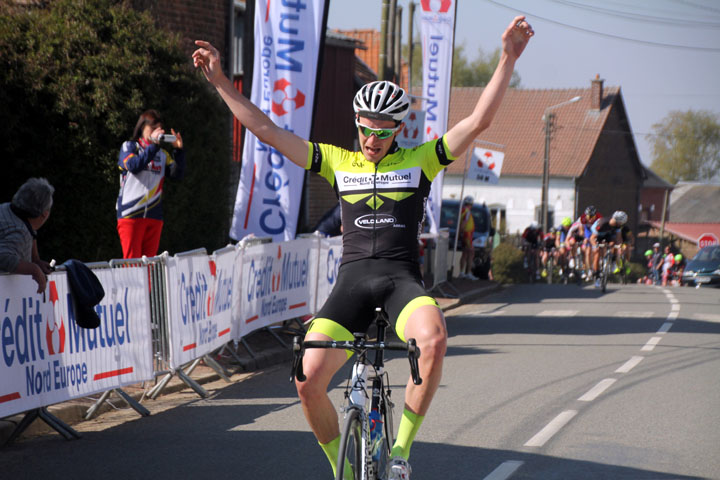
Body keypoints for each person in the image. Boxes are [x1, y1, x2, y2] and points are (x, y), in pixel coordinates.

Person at [193, 15, 533, 480]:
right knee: (306, 379)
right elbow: (269, 131)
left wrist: (507, 58)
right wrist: (219, 83)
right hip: (351, 284)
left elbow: (479, 120)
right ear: (355, 124)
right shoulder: (338, 162)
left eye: (382, 130)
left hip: (400, 282)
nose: (372, 140)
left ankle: (398, 454)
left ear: (398, 129)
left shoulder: (420, 161)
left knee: (433, 341)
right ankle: (344, 469)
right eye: (365, 129)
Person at [116, 109, 185, 259]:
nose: (156, 133)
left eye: (158, 129)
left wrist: (179, 150)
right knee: (133, 265)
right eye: (152, 129)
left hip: (154, 216)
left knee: (149, 267)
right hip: (131, 215)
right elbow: (134, 165)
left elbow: (177, 174)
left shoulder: (161, 154)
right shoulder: (129, 147)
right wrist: (153, 146)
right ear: (142, 128)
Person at [0, 178, 55, 293]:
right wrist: (34, 269)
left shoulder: (6, 209)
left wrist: (35, 260)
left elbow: (31, 230)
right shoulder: (20, 233)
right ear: (44, 214)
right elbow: (3, 257)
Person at [589, 210, 626, 288]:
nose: (621, 225)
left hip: (608, 234)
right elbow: (592, 238)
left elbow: (619, 238)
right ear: (617, 221)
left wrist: (620, 246)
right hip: (597, 234)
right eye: (620, 223)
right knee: (597, 253)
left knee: (613, 243)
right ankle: (597, 276)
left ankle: (612, 260)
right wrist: (596, 246)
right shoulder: (602, 223)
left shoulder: (618, 225)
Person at [459, 196, 477, 280]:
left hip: (467, 234)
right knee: (471, 252)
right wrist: (461, 232)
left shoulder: (464, 210)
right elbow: (463, 223)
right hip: (467, 234)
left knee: (465, 253)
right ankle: (468, 273)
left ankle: (462, 272)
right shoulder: (467, 211)